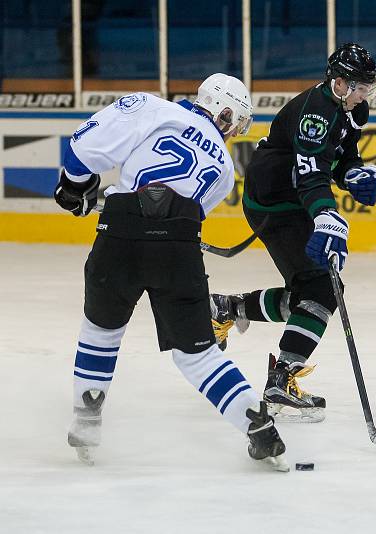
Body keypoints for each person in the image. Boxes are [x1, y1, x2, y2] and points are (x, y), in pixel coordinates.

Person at [54, 73, 287, 469]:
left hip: (121, 236)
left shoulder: (152, 107)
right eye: (236, 122)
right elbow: (182, 213)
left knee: (102, 331)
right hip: (178, 249)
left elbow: (84, 150)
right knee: (196, 356)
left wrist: (74, 188)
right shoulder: (225, 169)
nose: (234, 131)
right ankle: (259, 427)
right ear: (224, 111)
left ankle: (86, 422)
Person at [209, 43, 376, 423]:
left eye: (368, 88)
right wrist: (326, 216)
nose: (364, 95)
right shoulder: (316, 114)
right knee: (320, 290)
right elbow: (310, 175)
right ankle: (281, 381)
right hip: (274, 201)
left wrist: (355, 173)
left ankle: (228, 308)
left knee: (311, 293)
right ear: (338, 83)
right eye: (358, 87)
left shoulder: (350, 108)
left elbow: (338, 157)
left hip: (290, 200)